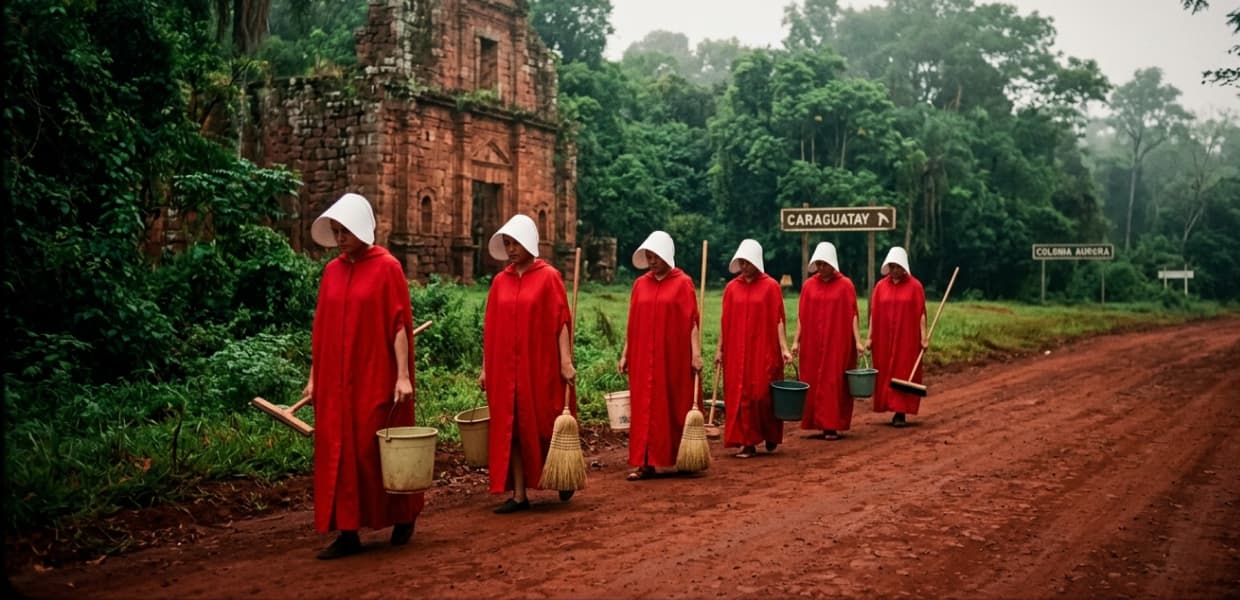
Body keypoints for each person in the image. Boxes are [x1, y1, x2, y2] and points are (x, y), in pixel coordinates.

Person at [303, 193, 422, 560]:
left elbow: (399, 324)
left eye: (345, 230)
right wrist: (313, 377)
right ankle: (348, 531)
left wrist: (402, 376)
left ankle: (403, 515)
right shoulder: (332, 271)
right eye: (336, 231)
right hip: (336, 380)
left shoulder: (387, 268)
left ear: (362, 229)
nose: (339, 238)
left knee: (373, 450)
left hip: (375, 373)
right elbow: (320, 329)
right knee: (338, 450)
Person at [479, 214, 576, 513]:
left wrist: (565, 361)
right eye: (507, 243)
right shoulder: (500, 281)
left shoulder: (549, 277)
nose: (510, 249)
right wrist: (485, 368)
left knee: (546, 419)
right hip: (505, 369)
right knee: (514, 429)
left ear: (530, 242)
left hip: (541, 364)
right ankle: (519, 495)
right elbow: (491, 328)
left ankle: (562, 472)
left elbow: (561, 321)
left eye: (515, 243)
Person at [618, 231, 703, 480]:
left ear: (666, 255)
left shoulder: (683, 283)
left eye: (655, 256)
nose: (651, 261)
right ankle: (645, 463)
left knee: (673, 404)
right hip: (643, 355)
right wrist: (625, 354)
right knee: (643, 407)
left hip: (672, 355)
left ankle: (681, 455)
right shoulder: (640, 284)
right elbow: (632, 323)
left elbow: (692, 322)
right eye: (649, 256)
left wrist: (695, 354)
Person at [715, 239, 792, 458]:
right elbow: (725, 321)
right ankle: (746, 442)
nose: (744, 266)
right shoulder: (731, 288)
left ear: (757, 262)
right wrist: (720, 349)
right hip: (737, 350)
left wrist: (784, 348)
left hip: (764, 348)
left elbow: (778, 319)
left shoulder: (771, 286)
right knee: (739, 394)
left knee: (762, 394)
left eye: (748, 262)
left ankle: (770, 434)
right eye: (741, 262)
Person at [792, 242, 865, 440]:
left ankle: (831, 425)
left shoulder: (846, 285)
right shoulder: (808, 286)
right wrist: (796, 341)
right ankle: (815, 421)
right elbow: (802, 315)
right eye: (819, 264)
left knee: (834, 380)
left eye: (825, 264)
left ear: (833, 264)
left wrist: (858, 341)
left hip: (837, 341)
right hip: (813, 341)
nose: (821, 268)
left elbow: (853, 315)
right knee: (813, 379)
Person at [865, 247, 928, 428]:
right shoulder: (880, 287)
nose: (894, 270)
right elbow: (874, 315)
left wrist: (923, 338)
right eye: (891, 267)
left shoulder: (915, 286)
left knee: (903, 371)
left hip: (906, 337)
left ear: (904, 267)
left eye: (898, 267)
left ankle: (900, 411)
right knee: (885, 370)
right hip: (884, 337)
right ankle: (888, 404)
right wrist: (870, 338)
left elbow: (921, 314)